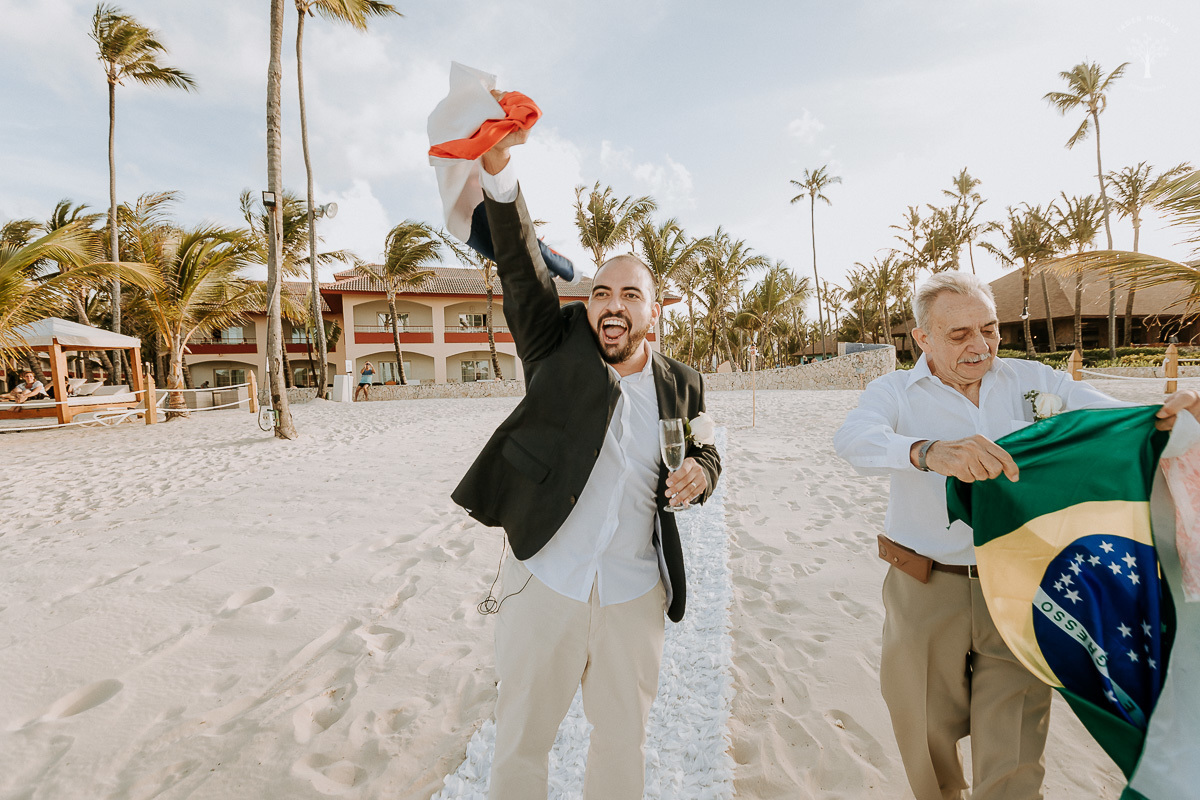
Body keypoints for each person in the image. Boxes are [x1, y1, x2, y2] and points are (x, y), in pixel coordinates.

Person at [833, 271, 1200, 800]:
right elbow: (855, 439)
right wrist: (929, 452)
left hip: (1025, 588)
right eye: (958, 335)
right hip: (926, 588)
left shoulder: (1037, 381)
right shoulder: (892, 391)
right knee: (925, 729)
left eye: (989, 329)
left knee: (1015, 751)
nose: (980, 346)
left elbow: (1103, 414)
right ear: (922, 338)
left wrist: (1169, 417)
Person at [451, 113, 721, 800]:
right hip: (547, 580)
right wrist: (500, 171)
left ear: (654, 315)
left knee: (621, 746)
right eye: (602, 291)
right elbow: (521, 263)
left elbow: (708, 450)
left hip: (636, 593)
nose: (612, 304)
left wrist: (702, 473)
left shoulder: (683, 384)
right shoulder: (555, 344)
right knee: (519, 744)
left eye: (631, 295)